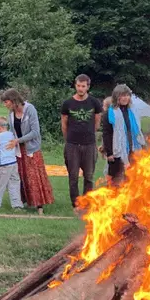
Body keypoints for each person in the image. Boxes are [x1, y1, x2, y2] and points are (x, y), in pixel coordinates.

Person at [1, 89, 54, 215]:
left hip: (31, 149)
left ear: (13, 100)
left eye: (6, 102)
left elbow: (35, 132)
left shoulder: (30, 109)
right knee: (21, 175)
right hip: (19, 150)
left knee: (33, 176)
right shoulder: (11, 114)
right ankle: (22, 202)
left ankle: (39, 205)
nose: (5, 104)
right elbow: (13, 131)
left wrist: (18, 140)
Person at [61, 74, 103, 208]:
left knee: (89, 177)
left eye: (83, 86)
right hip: (72, 144)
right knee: (73, 177)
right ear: (75, 85)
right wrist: (68, 140)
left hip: (89, 144)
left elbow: (97, 122)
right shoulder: (68, 103)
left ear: (87, 87)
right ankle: (76, 204)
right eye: (78, 86)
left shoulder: (94, 103)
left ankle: (86, 203)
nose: (80, 88)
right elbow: (64, 124)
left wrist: (90, 134)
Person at [102, 84, 146, 186]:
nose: (125, 98)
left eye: (127, 95)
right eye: (122, 95)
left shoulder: (133, 111)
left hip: (133, 149)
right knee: (116, 179)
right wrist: (109, 153)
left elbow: (138, 130)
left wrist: (143, 145)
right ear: (116, 97)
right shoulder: (110, 113)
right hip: (117, 151)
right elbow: (107, 133)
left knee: (132, 178)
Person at [0, 116, 24, 211]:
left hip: (4, 165)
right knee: (14, 183)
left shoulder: (1, 136)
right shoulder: (11, 134)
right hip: (13, 163)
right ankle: (17, 205)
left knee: (0, 184)